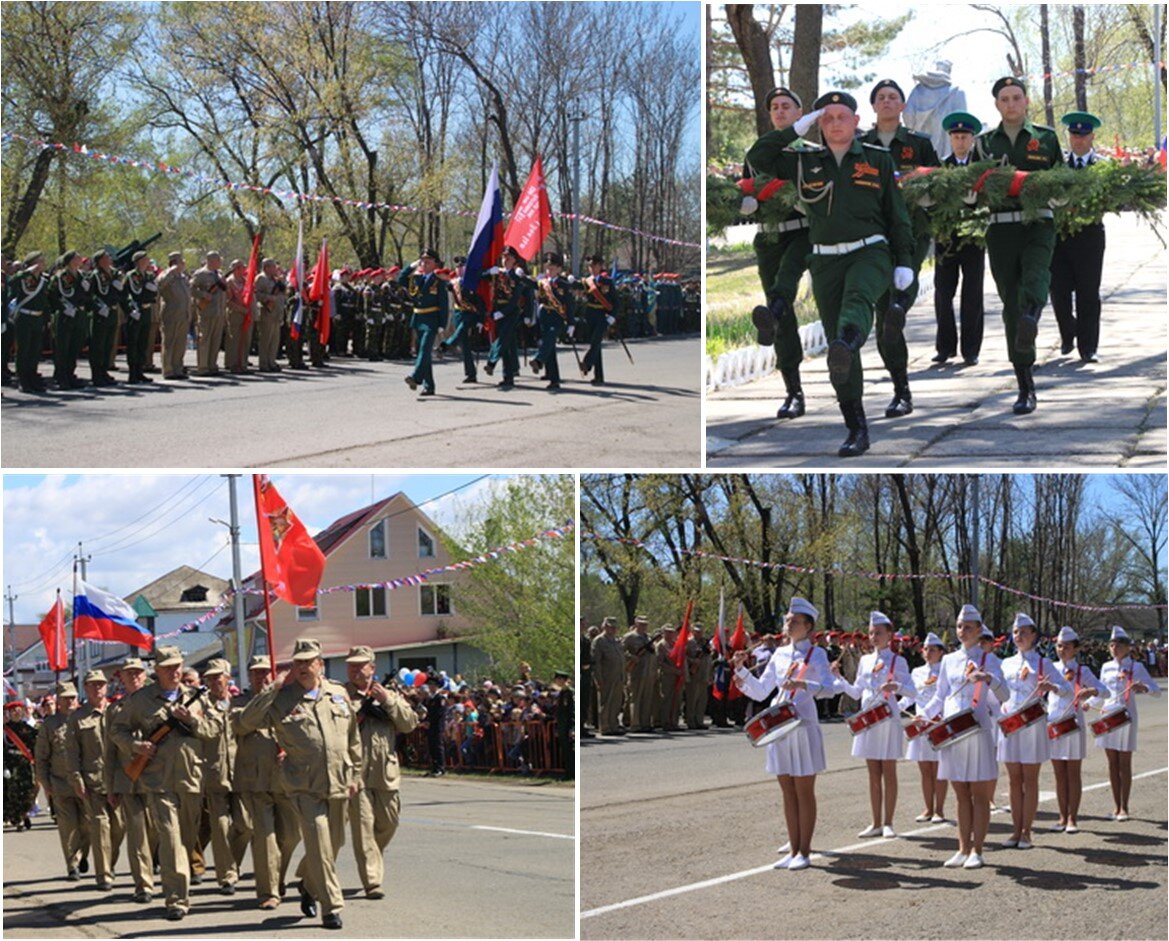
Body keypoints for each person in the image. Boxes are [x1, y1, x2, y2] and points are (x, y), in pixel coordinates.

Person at [746, 90, 914, 457]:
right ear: (819, 124)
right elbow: (758, 157)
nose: (835, 123)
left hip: (870, 251)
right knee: (840, 349)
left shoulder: (877, 159)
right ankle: (856, 427)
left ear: (856, 122)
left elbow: (897, 216)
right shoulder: (804, 162)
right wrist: (795, 129)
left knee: (857, 302)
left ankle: (849, 340)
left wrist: (905, 262)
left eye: (842, 116)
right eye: (828, 118)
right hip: (825, 261)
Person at [237, 638, 360, 931]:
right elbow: (245, 722)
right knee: (318, 844)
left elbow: (353, 738)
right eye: (298, 662)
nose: (304, 667)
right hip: (303, 785)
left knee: (334, 843)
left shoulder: (338, 694)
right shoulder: (281, 699)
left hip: (339, 781)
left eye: (309, 661)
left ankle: (307, 883)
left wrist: (356, 774)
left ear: (320, 663)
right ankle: (331, 907)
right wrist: (272, 688)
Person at [973, 77, 1062, 414]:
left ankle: (1032, 314)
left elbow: (1063, 182)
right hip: (1000, 229)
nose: (1010, 104)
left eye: (1016, 98)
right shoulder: (983, 145)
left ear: (1027, 102)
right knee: (1010, 300)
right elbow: (972, 190)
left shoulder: (1046, 139)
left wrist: (1053, 192)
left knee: (1037, 277)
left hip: (1038, 222)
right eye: (1004, 99)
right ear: (997, 105)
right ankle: (1025, 385)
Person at [109, 645, 212, 921]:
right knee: (169, 837)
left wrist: (194, 721)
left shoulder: (197, 697)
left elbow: (216, 729)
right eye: (168, 667)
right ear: (156, 670)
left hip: (191, 778)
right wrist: (136, 745)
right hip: (157, 780)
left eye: (178, 666)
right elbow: (117, 729)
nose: (175, 671)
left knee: (187, 839)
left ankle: (180, 882)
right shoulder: (141, 700)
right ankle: (176, 899)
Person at [731, 597, 831, 871]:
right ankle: (793, 847)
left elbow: (829, 687)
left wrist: (803, 682)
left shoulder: (817, 654)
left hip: (803, 724)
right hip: (780, 725)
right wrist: (741, 672)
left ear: (808, 626)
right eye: (787, 620)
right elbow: (763, 691)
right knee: (787, 790)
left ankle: (805, 851)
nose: (788, 625)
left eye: (794, 621)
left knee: (803, 790)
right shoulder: (779, 654)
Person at [862, 78, 941, 418]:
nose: (888, 102)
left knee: (899, 296)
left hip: (912, 231)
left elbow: (940, 185)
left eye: (894, 97)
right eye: (881, 97)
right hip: (874, 235)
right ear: (874, 106)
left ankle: (899, 306)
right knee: (884, 320)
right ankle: (901, 389)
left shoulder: (919, 144)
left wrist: (929, 195)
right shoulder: (859, 145)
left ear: (903, 106)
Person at [923, 605, 1007, 869]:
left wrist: (989, 678)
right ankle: (962, 848)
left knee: (978, 793)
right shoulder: (948, 660)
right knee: (960, 793)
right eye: (959, 626)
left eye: (968, 627)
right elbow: (940, 695)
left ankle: (978, 850)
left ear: (979, 629)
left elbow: (1004, 695)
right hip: (953, 732)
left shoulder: (989, 659)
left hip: (978, 730)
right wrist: (923, 715)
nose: (962, 631)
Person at [747, 87, 813, 420]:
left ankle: (772, 308)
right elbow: (751, 179)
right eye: (774, 107)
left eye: (787, 106)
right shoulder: (760, 151)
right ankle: (793, 392)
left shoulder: (810, 152)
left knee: (783, 287)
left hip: (802, 234)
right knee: (783, 317)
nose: (780, 111)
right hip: (769, 237)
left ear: (800, 114)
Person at [343, 645, 419, 900]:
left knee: (389, 822)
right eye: (351, 665)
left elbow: (408, 723)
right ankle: (372, 882)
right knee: (363, 828)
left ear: (372, 668)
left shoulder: (388, 694)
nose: (355, 669)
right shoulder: (340, 695)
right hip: (356, 772)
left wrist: (387, 701)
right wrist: (359, 713)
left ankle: (372, 858)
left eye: (360, 665)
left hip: (385, 771)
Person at [831, 610, 914, 837]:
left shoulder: (898, 661)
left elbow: (912, 690)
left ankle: (888, 822)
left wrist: (896, 687)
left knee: (889, 771)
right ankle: (875, 822)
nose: (873, 637)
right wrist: (839, 678)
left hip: (887, 719)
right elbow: (857, 692)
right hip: (868, 718)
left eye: (878, 633)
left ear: (889, 635)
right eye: (871, 633)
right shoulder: (865, 660)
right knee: (873, 773)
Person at [231, 656, 300, 910]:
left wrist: (291, 749)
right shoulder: (240, 703)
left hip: (288, 779)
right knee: (265, 837)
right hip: (256, 780)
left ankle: (278, 878)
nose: (262, 677)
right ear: (250, 676)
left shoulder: (288, 701)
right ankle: (268, 890)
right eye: (257, 673)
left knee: (291, 835)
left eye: (267, 672)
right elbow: (244, 724)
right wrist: (272, 690)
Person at [997, 613, 1068, 849]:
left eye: (1024, 632)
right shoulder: (1005, 663)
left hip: (1032, 724)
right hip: (1010, 724)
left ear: (1034, 635)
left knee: (1030, 779)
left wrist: (1052, 686)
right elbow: (996, 693)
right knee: (1013, 780)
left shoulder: (1043, 663)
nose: (1019, 636)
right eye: (1016, 632)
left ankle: (1027, 831)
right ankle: (1015, 830)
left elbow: (1066, 689)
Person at [1050, 111, 1107, 363]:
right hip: (1060, 235)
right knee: (1058, 289)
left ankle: (1088, 347)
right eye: (1074, 135)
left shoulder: (1103, 167)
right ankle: (1067, 333)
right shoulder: (1058, 166)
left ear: (1092, 136)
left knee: (1088, 292)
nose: (1079, 140)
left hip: (1090, 235)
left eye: (1083, 135)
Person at [1089, 625, 1162, 821]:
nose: (1115, 648)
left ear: (1128, 647)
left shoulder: (1136, 667)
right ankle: (1115, 806)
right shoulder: (1106, 667)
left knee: (1124, 763)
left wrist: (1143, 687)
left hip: (1126, 717)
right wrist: (1087, 704)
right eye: (1112, 644)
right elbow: (1102, 694)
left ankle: (1125, 806)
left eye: (1119, 644)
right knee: (1112, 763)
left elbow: (1156, 691)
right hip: (1107, 716)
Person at [932, 112, 986, 366]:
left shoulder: (982, 168)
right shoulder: (941, 168)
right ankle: (945, 347)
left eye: (964, 137)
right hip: (946, 237)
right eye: (956, 137)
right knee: (943, 292)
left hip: (974, 237)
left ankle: (971, 349)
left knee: (972, 293)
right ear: (950, 140)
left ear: (972, 139)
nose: (960, 141)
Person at [103, 656, 157, 903]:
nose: (134, 676)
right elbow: (110, 752)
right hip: (129, 779)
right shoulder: (114, 710)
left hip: (158, 778)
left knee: (159, 833)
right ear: (121, 678)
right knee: (137, 835)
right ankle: (143, 884)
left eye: (138, 672)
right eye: (129, 673)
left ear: (145, 675)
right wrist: (110, 786)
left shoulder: (158, 703)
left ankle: (166, 876)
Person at [64, 670, 123, 891]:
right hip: (92, 781)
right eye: (92, 685)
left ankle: (109, 862)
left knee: (120, 828)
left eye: (100, 684)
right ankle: (104, 874)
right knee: (101, 826)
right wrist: (76, 778)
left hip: (119, 781)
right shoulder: (78, 718)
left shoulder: (117, 712)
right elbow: (71, 752)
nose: (97, 688)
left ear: (106, 686)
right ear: (85, 688)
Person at [1047, 626, 1102, 834]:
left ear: (1076, 649)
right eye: (1059, 646)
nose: (1062, 650)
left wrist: (1092, 692)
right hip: (1054, 723)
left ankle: (1073, 818)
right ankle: (1062, 817)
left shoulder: (1083, 671)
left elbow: (1103, 690)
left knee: (1072, 773)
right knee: (1058, 773)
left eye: (1067, 646)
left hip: (1073, 725)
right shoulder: (1051, 668)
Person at [198, 659, 244, 894]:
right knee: (221, 825)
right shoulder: (202, 705)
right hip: (215, 774)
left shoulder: (240, 702)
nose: (215, 681)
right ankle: (227, 875)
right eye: (210, 678)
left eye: (218, 677)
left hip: (243, 772)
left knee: (246, 825)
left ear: (228, 678)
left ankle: (232, 863)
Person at [35, 681, 89, 879]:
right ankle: (72, 864)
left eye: (72, 698)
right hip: (61, 783)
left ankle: (84, 852)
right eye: (65, 698)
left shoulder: (85, 719)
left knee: (87, 825)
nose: (69, 702)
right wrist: (46, 785)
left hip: (85, 784)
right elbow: (41, 758)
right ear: (58, 701)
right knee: (68, 827)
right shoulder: (50, 725)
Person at [900, 631, 948, 822]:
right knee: (925, 769)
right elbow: (910, 696)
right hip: (920, 724)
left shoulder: (945, 671)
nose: (928, 652)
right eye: (926, 649)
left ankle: (940, 810)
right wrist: (894, 706)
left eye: (933, 649)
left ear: (941, 652)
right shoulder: (917, 672)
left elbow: (945, 697)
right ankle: (928, 808)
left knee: (938, 768)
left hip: (937, 722)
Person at [397, 248, 449, 396]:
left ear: (435, 263)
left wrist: (442, 324)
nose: (425, 263)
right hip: (418, 318)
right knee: (422, 352)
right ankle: (429, 386)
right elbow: (401, 279)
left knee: (425, 350)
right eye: (423, 261)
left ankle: (416, 377)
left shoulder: (438, 282)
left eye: (428, 261)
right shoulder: (416, 279)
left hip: (432, 319)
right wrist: (411, 266)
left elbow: (443, 304)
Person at [485, 246, 530, 388]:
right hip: (498, 310)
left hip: (511, 312)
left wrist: (503, 313)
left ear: (514, 260)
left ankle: (491, 362)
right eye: (504, 257)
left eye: (508, 258)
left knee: (502, 338)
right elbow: (478, 278)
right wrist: (488, 271)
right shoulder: (497, 273)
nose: (505, 260)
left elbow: (517, 298)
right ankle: (508, 376)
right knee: (506, 345)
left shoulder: (517, 276)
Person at [7, 251, 51, 393]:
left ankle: (32, 377)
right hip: (24, 317)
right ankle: (23, 380)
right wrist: (25, 272)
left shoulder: (44, 280)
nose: (43, 263)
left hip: (38, 318)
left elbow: (45, 302)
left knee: (34, 350)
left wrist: (46, 319)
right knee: (23, 350)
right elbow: (10, 283)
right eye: (39, 261)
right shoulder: (23, 278)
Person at [50, 251, 90, 390]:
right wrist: (63, 308)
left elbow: (86, 296)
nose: (80, 259)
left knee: (74, 347)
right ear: (70, 260)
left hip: (78, 314)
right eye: (77, 257)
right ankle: (61, 377)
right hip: (65, 315)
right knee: (63, 348)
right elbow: (53, 295)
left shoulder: (80, 275)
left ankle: (70, 374)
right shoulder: (62, 276)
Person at [532, 251, 573, 390]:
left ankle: (538, 360)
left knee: (549, 340)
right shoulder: (542, 282)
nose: (549, 270)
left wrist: (571, 323)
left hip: (557, 318)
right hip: (543, 317)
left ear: (559, 269)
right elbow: (528, 284)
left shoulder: (563, 284)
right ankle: (554, 379)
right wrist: (518, 275)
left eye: (552, 267)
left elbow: (570, 304)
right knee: (549, 348)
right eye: (547, 267)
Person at [439, 256, 483, 382]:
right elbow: (443, 285)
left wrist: (481, 319)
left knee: (461, 329)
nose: (459, 269)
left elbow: (480, 301)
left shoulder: (473, 281)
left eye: (462, 267)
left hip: (471, 313)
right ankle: (471, 374)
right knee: (465, 346)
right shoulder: (453, 282)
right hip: (459, 314)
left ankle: (446, 345)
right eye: (457, 267)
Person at [87, 250, 123, 387]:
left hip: (112, 312)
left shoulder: (114, 274)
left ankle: (104, 371)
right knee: (98, 345)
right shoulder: (95, 276)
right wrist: (98, 307)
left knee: (108, 344)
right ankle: (96, 374)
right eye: (106, 257)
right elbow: (90, 295)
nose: (110, 258)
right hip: (101, 314)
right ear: (100, 260)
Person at [579, 254, 616, 386]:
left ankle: (587, 363)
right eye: (590, 266)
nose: (592, 268)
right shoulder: (586, 281)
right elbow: (576, 289)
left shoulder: (607, 281)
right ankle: (599, 376)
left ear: (600, 266)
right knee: (596, 345)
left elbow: (615, 301)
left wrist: (613, 316)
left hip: (602, 315)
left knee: (596, 340)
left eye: (594, 266)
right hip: (590, 314)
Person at [189, 251, 228, 376]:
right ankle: (203, 366)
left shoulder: (219, 274)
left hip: (219, 311)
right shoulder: (200, 274)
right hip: (206, 311)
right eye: (218, 260)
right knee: (204, 339)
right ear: (211, 261)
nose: (220, 262)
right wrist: (203, 294)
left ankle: (212, 365)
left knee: (215, 340)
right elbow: (191, 288)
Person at [123, 251, 158, 385]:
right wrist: (130, 310)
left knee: (143, 342)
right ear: (138, 261)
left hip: (146, 311)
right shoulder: (131, 276)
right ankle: (132, 373)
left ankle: (140, 371)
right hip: (136, 311)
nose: (148, 261)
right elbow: (125, 295)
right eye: (145, 259)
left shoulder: (149, 275)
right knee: (133, 343)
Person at [156, 252, 192, 381]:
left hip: (183, 314)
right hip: (171, 313)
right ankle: (168, 369)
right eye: (181, 262)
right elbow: (160, 285)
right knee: (169, 342)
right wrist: (171, 272)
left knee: (180, 343)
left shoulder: (183, 277)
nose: (183, 264)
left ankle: (178, 368)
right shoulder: (166, 275)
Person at [4, 699, 39, 830]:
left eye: (18, 711)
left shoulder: (29, 729)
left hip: (24, 764)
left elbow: (36, 747)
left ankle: (25, 814)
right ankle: (17, 819)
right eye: (13, 711)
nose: (16, 714)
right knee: (12, 792)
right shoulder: (5, 729)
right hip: (10, 764)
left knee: (27, 791)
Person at [621, 615, 658, 732]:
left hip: (648, 672)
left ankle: (645, 723)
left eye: (645, 624)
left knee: (646, 698)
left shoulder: (648, 637)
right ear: (636, 624)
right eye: (641, 624)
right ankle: (635, 723)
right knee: (635, 698)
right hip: (636, 671)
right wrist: (632, 657)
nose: (644, 626)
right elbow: (621, 650)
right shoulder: (629, 637)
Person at [591, 616, 625, 735]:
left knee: (616, 702)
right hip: (606, 676)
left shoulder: (616, 640)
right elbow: (596, 662)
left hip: (618, 676)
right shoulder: (599, 640)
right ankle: (605, 727)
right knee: (606, 703)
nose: (613, 629)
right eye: (610, 627)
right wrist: (598, 679)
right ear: (604, 626)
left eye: (614, 627)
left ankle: (613, 725)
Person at [252, 258, 286, 373]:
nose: (275, 269)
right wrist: (269, 298)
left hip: (276, 312)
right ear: (266, 267)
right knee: (266, 339)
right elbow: (256, 294)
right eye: (273, 267)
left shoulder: (275, 280)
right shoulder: (261, 278)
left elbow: (283, 292)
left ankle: (272, 361)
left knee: (275, 339)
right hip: (267, 311)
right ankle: (264, 363)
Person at [223, 259, 254, 374]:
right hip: (235, 313)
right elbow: (228, 301)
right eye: (241, 267)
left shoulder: (245, 281)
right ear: (236, 269)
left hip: (246, 313)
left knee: (245, 339)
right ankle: (232, 363)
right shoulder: (229, 282)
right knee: (234, 339)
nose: (244, 269)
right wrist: (241, 309)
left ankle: (243, 363)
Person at [684, 624, 712, 730]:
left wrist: (710, 674)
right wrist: (692, 661)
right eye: (697, 631)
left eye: (700, 631)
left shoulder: (705, 643)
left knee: (702, 699)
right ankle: (691, 721)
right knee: (692, 699)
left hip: (704, 674)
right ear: (693, 631)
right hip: (694, 674)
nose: (699, 633)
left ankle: (699, 720)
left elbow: (709, 658)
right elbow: (684, 656)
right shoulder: (690, 642)